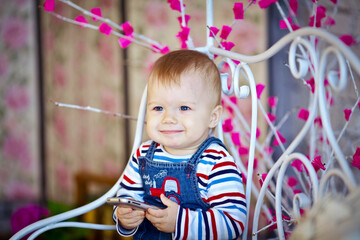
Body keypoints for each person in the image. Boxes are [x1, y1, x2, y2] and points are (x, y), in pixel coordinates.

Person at [113, 49, 247, 239]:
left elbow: (233, 222)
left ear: (213, 117)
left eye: (184, 108)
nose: (168, 118)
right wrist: (125, 216)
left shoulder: (216, 161)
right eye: (158, 108)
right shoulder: (142, 154)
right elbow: (128, 197)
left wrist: (180, 222)